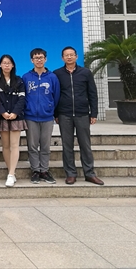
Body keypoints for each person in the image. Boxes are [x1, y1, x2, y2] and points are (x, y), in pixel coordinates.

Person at [54, 46, 104, 185]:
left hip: (82, 114)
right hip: (64, 114)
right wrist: (56, 114)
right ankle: (70, 174)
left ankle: (89, 173)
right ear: (62, 58)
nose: (69, 57)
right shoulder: (57, 74)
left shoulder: (85, 73)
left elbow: (92, 94)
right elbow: (55, 95)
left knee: (85, 145)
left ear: (76, 56)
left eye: (71, 55)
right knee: (67, 145)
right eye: (66, 55)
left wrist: (93, 113)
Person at [22, 48, 60, 184]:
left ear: (45, 59)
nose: (39, 60)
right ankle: (35, 171)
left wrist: (50, 109)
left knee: (45, 146)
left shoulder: (52, 77)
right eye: (36, 58)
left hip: (47, 117)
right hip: (30, 116)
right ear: (31, 60)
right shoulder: (26, 77)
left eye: (41, 57)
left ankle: (44, 170)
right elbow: (23, 96)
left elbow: (56, 96)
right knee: (32, 146)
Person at [0, 55, 27, 187]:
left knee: (14, 145)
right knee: (5, 146)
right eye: (4, 63)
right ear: (0, 65)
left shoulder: (19, 80)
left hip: (16, 117)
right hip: (2, 116)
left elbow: (22, 98)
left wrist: (15, 113)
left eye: (9, 63)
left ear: (13, 65)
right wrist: (2, 112)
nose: (7, 65)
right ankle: (11, 172)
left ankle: (10, 174)